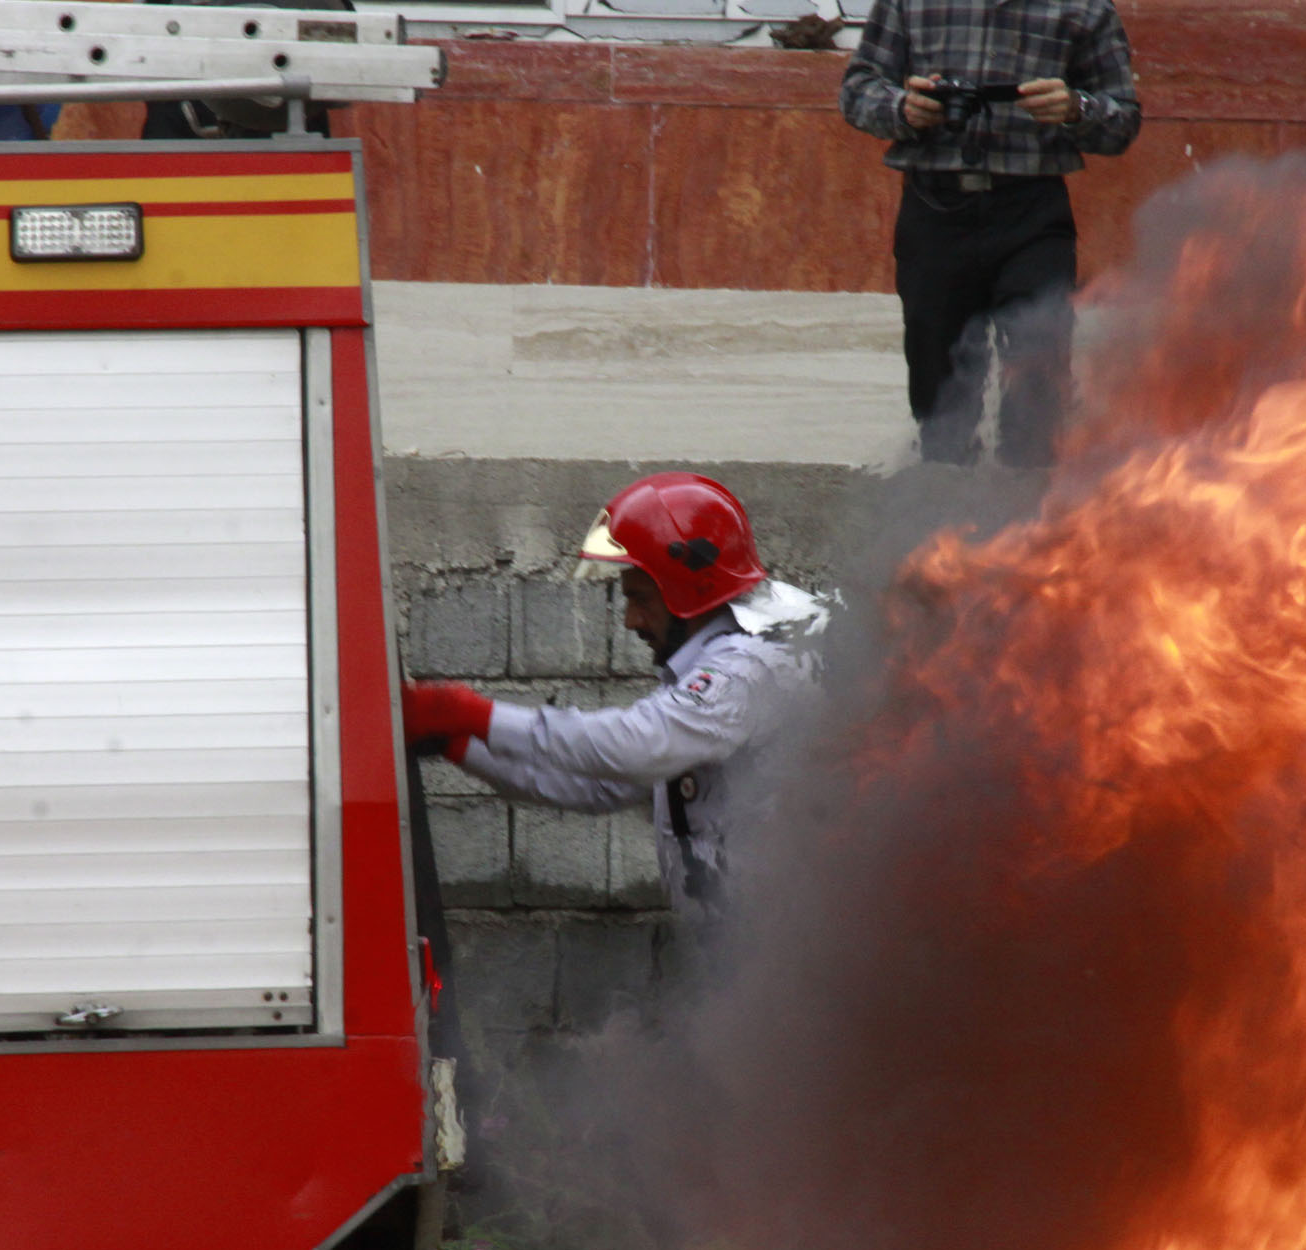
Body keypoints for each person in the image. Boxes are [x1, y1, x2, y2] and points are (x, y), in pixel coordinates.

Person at [402, 472, 825, 915]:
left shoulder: (752, 665)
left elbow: (637, 747)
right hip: (752, 946)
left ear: (687, 589)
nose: (630, 621)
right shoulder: (729, 648)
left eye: (640, 599)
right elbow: (599, 785)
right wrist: (460, 743)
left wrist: (474, 715)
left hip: (797, 950)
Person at [841, 0, 1141, 467]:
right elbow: (857, 91)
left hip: (1031, 209)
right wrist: (904, 107)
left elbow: (1123, 120)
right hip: (934, 209)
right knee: (935, 373)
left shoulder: (1082, 8)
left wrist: (1075, 107)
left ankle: (1027, 494)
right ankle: (943, 492)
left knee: (1038, 355)